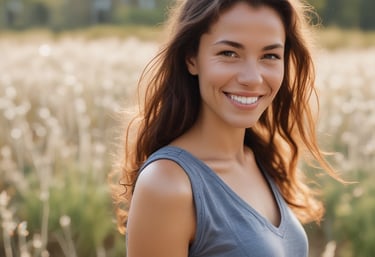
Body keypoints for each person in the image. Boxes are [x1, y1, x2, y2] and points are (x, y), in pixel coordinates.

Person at [111, 0, 340, 256]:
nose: (252, 78)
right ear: (191, 58)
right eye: (229, 53)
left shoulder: (258, 161)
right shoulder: (167, 185)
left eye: (270, 56)